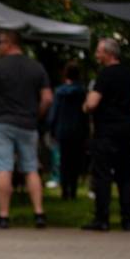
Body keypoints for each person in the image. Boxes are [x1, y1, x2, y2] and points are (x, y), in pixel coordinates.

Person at [0, 30, 52, 229]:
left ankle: (3, 216)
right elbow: (47, 98)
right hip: (27, 124)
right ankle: (39, 213)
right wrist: (37, 115)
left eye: (0, 42)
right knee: (31, 168)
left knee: (3, 167)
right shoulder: (36, 68)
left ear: (9, 43)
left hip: (1, 123)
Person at [83, 38, 130, 231]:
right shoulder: (129, 74)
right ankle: (128, 220)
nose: (97, 55)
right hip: (127, 130)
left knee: (103, 174)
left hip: (106, 130)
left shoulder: (104, 75)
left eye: (99, 51)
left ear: (108, 53)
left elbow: (92, 103)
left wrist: (87, 104)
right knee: (125, 175)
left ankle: (102, 219)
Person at [47, 62, 88, 200]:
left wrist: (51, 128)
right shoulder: (82, 92)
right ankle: (73, 189)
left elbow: (54, 112)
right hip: (78, 130)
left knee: (64, 161)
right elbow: (85, 113)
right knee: (75, 162)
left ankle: (65, 190)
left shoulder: (59, 92)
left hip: (62, 130)